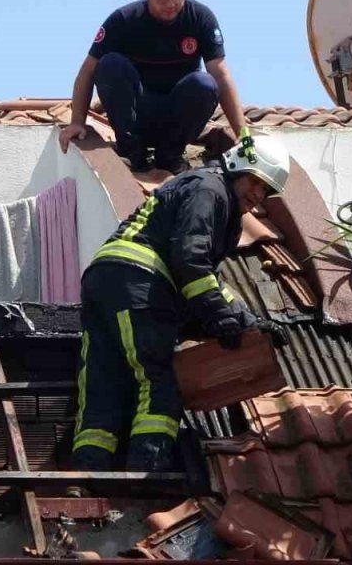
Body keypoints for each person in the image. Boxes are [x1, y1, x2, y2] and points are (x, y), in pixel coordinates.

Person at [71, 135, 291, 473]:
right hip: (139, 283)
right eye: (255, 181)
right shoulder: (210, 190)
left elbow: (208, 276)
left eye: (266, 190)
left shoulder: (207, 188)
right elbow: (191, 261)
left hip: (105, 280)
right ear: (235, 166)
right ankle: (149, 472)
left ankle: (90, 470)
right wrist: (220, 317)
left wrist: (246, 321)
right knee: (158, 378)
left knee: (105, 378)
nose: (258, 195)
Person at [58, 0, 251, 174]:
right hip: (137, 114)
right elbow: (87, 72)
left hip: (177, 117)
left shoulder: (200, 19)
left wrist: (243, 135)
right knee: (109, 64)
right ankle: (132, 154)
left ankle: (170, 157)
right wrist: (76, 122)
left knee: (205, 83)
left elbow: (221, 74)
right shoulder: (124, 20)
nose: (171, 4)